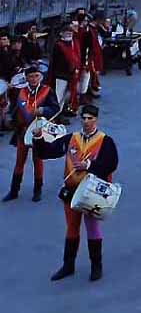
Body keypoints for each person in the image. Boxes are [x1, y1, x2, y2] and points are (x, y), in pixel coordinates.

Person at [36, 103, 118, 282]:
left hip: (92, 193)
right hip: (72, 191)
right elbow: (48, 152)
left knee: (92, 228)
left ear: (96, 120)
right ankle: (68, 265)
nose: (87, 122)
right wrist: (38, 138)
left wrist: (90, 166)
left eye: (90, 118)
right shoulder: (71, 138)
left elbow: (111, 164)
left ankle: (96, 266)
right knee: (72, 228)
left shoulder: (106, 141)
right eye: (84, 118)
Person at [4, 65, 58, 202]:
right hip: (22, 131)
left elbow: (55, 108)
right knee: (19, 162)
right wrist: (9, 117)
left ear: (40, 77)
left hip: (38, 131)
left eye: (36, 76)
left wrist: (43, 111)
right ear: (26, 78)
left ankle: (37, 190)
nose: (33, 79)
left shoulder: (47, 91)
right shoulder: (19, 91)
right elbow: (11, 107)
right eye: (30, 76)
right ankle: (14, 191)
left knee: (38, 161)